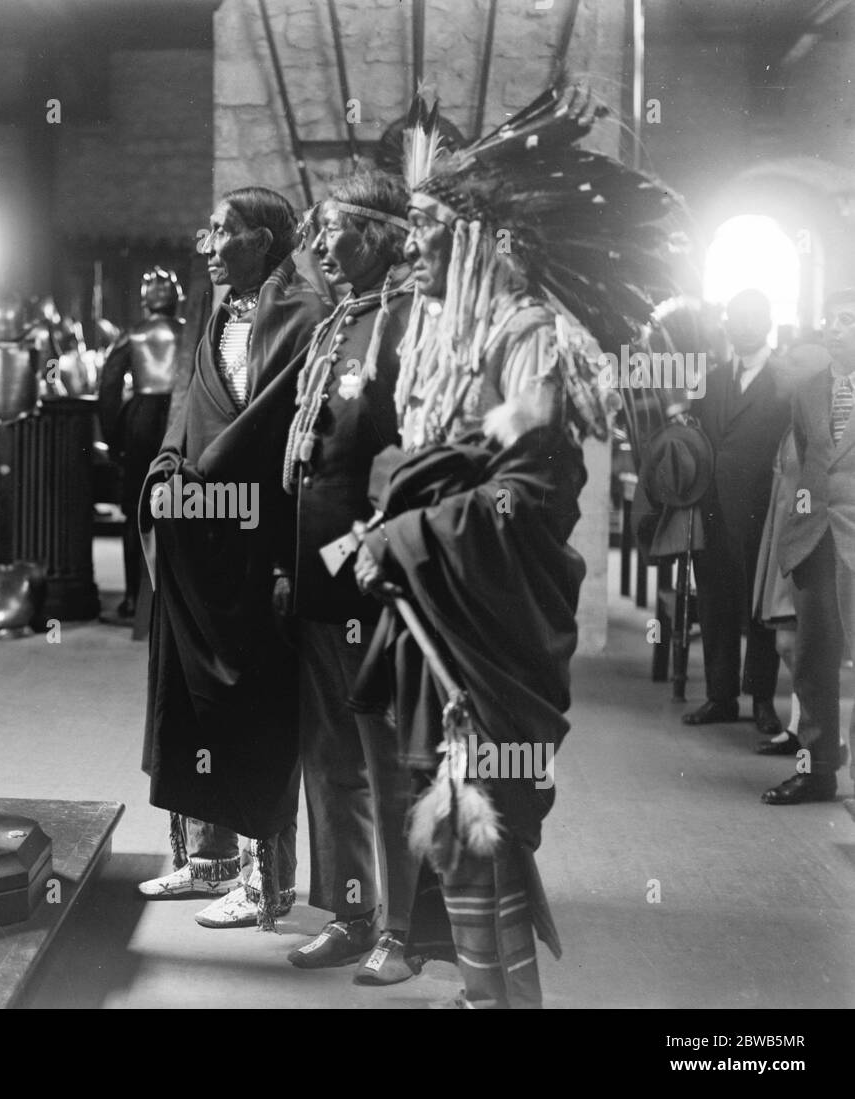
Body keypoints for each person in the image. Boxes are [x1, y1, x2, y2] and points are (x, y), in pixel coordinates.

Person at [354, 82, 690, 1007]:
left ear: (478, 239)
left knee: (484, 820)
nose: (408, 247)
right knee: (459, 830)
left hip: (490, 634)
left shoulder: (527, 341)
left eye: (424, 231)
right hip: (442, 617)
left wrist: (411, 530)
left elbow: (527, 496)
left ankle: (507, 1003)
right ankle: (481, 995)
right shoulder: (444, 339)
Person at [138, 186, 329, 929]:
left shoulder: (301, 316)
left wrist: (202, 484)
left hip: (257, 537)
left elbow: (268, 423)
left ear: (266, 239)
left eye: (224, 232)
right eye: (207, 230)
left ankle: (264, 881)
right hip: (201, 536)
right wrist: (165, 477)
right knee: (187, 696)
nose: (208, 246)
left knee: (251, 705)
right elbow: (191, 407)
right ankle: (208, 857)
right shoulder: (218, 311)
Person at [277, 172, 422, 982]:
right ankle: (352, 908)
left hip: (372, 578)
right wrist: (287, 566)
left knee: (386, 758)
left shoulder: (405, 325)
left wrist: (364, 555)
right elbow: (309, 459)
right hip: (319, 578)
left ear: (383, 236)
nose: (324, 246)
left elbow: (411, 457)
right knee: (329, 754)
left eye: (338, 230)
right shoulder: (342, 323)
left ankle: (404, 928)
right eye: (320, 230)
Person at [682, 289, 791, 736]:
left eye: (751, 317)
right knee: (715, 602)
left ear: (766, 322)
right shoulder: (710, 380)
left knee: (760, 608)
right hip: (712, 511)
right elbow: (697, 441)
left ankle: (762, 700)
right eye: (734, 317)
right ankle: (721, 696)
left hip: (763, 512)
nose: (741, 325)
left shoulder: (787, 381)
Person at [766, 289, 855, 805]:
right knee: (812, 659)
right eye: (831, 320)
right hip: (814, 539)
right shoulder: (809, 389)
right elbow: (805, 457)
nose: (835, 329)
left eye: (848, 320)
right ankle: (817, 770)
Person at [98, 267, 185, 620]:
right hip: (177, 417)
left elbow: (109, 388)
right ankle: (172, 598)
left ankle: (134, 598)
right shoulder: (189, 332)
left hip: (141, 420)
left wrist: (112, 436)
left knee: (136, 510)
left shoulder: (132, 335)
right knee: (180, 506)